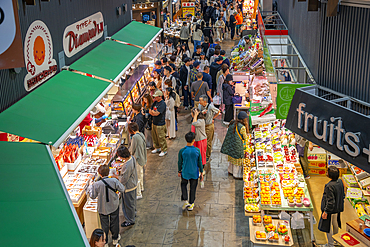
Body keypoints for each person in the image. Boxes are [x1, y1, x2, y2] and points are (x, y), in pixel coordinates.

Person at [89, 165, 124, 245]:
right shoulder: (114, 181)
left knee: (104, 225)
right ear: (108, 172)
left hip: (103, 207)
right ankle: (115, 238)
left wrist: (91, 186)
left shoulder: (97, 184)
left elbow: (92, 196)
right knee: (114, 222)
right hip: (114, 205)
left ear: (100, 174)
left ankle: (105, 242)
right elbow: (122, 189)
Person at [318, 166, 345, 247]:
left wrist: (326, 211)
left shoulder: (329, 186)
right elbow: (342, 195)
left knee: (328, 227)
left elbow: (330, 201)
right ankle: (336, 241)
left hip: (330, 210)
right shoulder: (340, 181)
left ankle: (330, 244)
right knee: (335, 223)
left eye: (327, 171)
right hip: (337, 208)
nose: (326, 172)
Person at [178, 132, 204, 211]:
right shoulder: (197, 150)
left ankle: (185, 199)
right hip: (194, 173)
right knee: (193, 188)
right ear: (194, 140)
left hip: (185, 172)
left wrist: (179, 171)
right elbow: (200, 162)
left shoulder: (182, 151)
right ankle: (191, 203)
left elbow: (180, 162)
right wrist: (201, 172)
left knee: (183, 185)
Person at [221, 111, 249, 178]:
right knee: (237, 162)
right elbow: (245, 137)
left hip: (231, 146)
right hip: (237, 147)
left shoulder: (232, 123)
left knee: (232, 161)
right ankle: (236, 174)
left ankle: (230, 171)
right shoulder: (242, 127)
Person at [115, 146, 138, 227]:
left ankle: (130, 220)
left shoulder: (127, 165)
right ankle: (133, 215)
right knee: (132, 202)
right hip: (133, 184)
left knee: (128, 204)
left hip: (129, 187)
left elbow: (124, 179)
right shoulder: (131, 158)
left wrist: (117, 177)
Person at [128, 122, 147, 200]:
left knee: (137, 176)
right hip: (142, 157)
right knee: (141, 174)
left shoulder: (135, 137)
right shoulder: (141, 134)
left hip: (138, 158)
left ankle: (138, 193)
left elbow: (132, 149)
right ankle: (142, 187)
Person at [198, 94, 220, 161]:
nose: (199, 102)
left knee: (208, 142)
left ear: (205, 101)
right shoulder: (200, 106)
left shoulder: (210, 106)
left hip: (209, 126)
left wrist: (212, 118)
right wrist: (201, 112)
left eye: (200, 101)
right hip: (202, 126)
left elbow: (218, 111)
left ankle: (207, 155)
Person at [149, 90, 168, 156]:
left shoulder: (162, 104)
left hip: (160, 123)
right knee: (155, 137)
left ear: (160, 96)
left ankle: (164, 150)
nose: (155, 98)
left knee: (161, 137)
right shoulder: (155, 103)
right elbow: (150, 111)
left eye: (156, 97)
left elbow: (157, 113)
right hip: (154, 122)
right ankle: (157, 147)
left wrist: (153, 113)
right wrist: (153, 113)